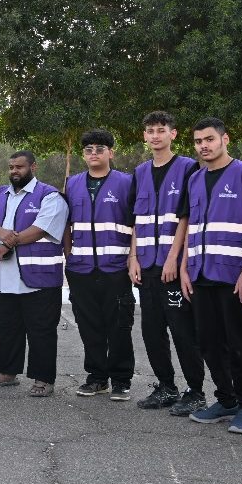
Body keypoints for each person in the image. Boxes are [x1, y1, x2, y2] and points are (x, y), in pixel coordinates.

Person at [179, 117, 242, 434]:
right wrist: (185, 269)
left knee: (239, 343)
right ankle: (226, 400)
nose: (203, 146)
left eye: (209, 139)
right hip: (200, 274)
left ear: (224, 139)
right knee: (209, 343)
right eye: (198, 141)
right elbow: (191, 228)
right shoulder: (194, 179)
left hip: (233, 277)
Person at [128, 111, 206, 414]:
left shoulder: (188, 168)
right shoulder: (140, 172)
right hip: (146, 265)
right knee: (152, 331)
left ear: (173, 134)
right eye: (150, 131)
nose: (155, 136)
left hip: (173, 267)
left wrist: (175, 259)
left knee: (183, 331)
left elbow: (187, 217)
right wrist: (133, 258)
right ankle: (166, 387)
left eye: (161, 130)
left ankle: (195, 391)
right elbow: (137, 219)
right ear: (144, 136)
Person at [0, 151, 67, 397]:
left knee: (41, 331)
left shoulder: (49, 196)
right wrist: (1, 232)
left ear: (33, 167)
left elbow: (40, 229)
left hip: (40, 278)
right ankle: (7, 372)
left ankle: (43, 379)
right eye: (11, 167)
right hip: (3, 277)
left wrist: (6, 244)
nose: (14, 171)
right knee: (7, 328)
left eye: (19, 167)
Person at [63, 129, 136, 401]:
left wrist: (132, 258)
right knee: (89, 326)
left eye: (100, 149)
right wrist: (69, 256)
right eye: (88, 150)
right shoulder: (73, 184)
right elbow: (66, 223)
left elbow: (136, 224)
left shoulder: (126, 182)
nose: (94, 153)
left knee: (119, 326)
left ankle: (121, 380)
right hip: (81, 269)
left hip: (115, 268)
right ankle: (96, 378)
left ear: (111, 153)